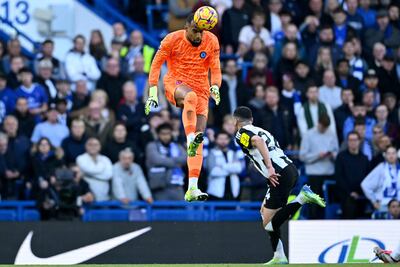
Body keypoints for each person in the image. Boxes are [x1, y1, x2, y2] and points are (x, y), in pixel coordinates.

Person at [233, 106, 325, 264]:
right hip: (289, 170)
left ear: (236, 121)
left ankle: (302, 198)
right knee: (265, 214)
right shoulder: (262, 130)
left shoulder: (242, 133)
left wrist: (269, 167)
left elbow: (258, 141)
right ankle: (279, 255)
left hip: (278, 174)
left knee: (268, 224)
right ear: (252, 119)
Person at [145, 14, 221, 202]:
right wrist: (153, 92)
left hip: (202, 88)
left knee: (200, 140)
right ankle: (189, 138)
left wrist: (216, 86)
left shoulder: (211, 40)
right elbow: (155, 65)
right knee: (190, 97)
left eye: (202, 32)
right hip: (176, 83)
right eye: (195, 31)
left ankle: (192, 187)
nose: (198, 36)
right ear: (186, 26)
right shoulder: (172, 39)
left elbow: (216, 68)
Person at [299, 114, 338, 219]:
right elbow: (302, 156)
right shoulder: (308, 135)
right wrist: (317, 156)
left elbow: (336, 152)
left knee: (329, 203)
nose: (324, 130)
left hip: (329, 173)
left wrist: (332, 155)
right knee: (314, 205)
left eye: (326, 128)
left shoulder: (332, 134)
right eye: (322, 127)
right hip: (314, 174)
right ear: (318, 123)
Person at [145, 123, 186, 201]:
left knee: (180, 212)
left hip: (177, 187)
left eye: (168, 134)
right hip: (160, 187)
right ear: (158, 135)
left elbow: (184, 158)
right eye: (163, 134)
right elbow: (156, 160)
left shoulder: (177, 146)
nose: (166, 136)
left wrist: (165, 160)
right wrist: (176, 162)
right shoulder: (152, 146)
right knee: (161, 212)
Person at [335, 131, 369, 219]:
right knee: (350, 202)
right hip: (346, 194)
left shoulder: (364, 159)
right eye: (350, 140)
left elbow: (368, 178)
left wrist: (359, 192)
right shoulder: (341, 157)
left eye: (355, 140)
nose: (353, 142)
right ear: (347, 142)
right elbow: (339, 178)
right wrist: (350, 192)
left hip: (362, 193)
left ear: (359, 141)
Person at [206, 131, 244, 200]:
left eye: (225, 139)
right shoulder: (212, 153)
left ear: (229, 140)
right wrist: (232, 169)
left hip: (232, 192)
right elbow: (213, 171)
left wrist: (222, 166)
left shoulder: (232, 153)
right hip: (216, 192)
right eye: (220, 139)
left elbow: (239, 168)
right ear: (216, 140)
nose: (223, 141)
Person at [361, 146, 400, 213]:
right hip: (384, 205)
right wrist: (374, 201)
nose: (391, 156)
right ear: (385, 155)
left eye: (393, 153)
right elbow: (365, 184)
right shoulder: (381, 168)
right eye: (389, 153)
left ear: (397, 154)